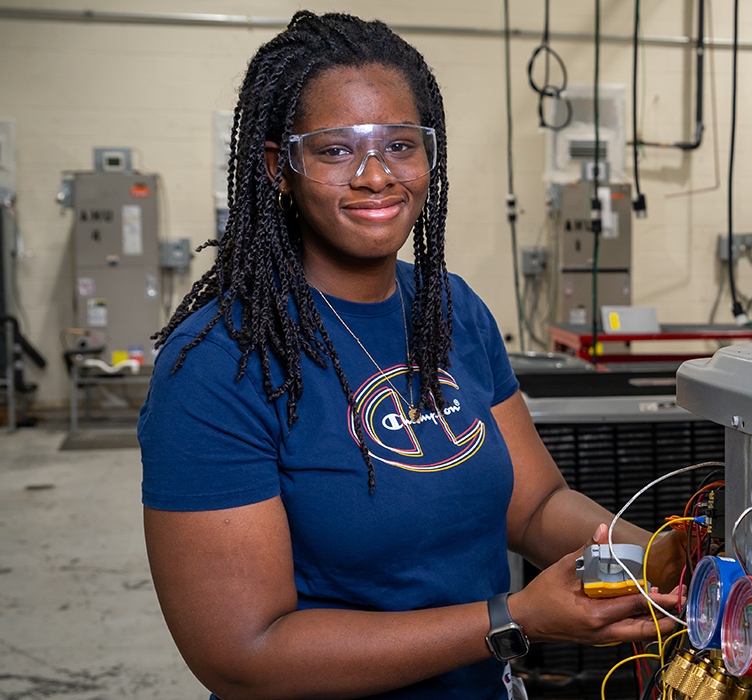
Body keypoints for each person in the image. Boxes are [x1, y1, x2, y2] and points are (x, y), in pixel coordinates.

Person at [138, 12, 685, 700]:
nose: (376, 176)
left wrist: (662, 561)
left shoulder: (451, 310)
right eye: (337, 150)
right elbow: (245, 655)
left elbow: (536, 506)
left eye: (401, 144)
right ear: (282, 166)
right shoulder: (221, 362)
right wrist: (508, 619)